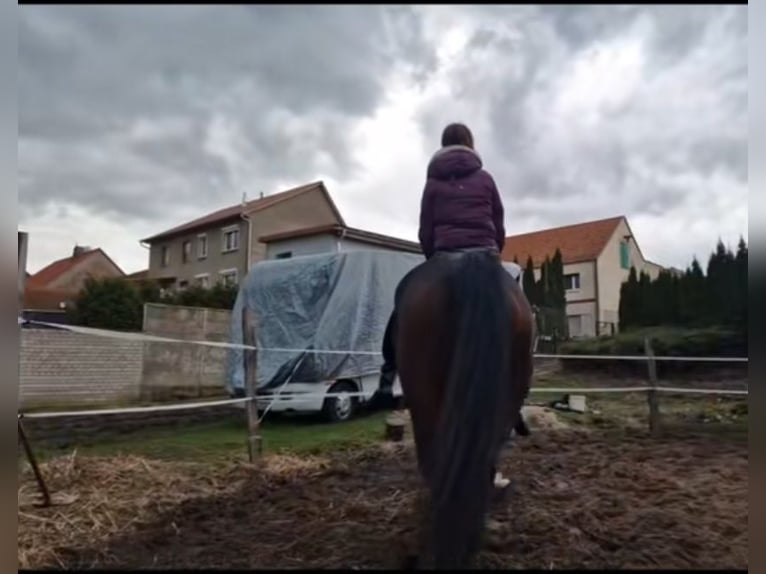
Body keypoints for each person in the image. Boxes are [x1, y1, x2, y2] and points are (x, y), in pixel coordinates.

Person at [367, 123, 530, 437]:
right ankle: (515, 400)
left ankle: (387, 382)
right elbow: (499, 222)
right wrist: (494, 252)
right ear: (471, 145)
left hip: (444, 257)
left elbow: (425, 230)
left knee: (404, 296)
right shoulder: (486, 178)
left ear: (442, 147)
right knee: (520, 310)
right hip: (485, 256)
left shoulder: (432, 183)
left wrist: (432, 260)